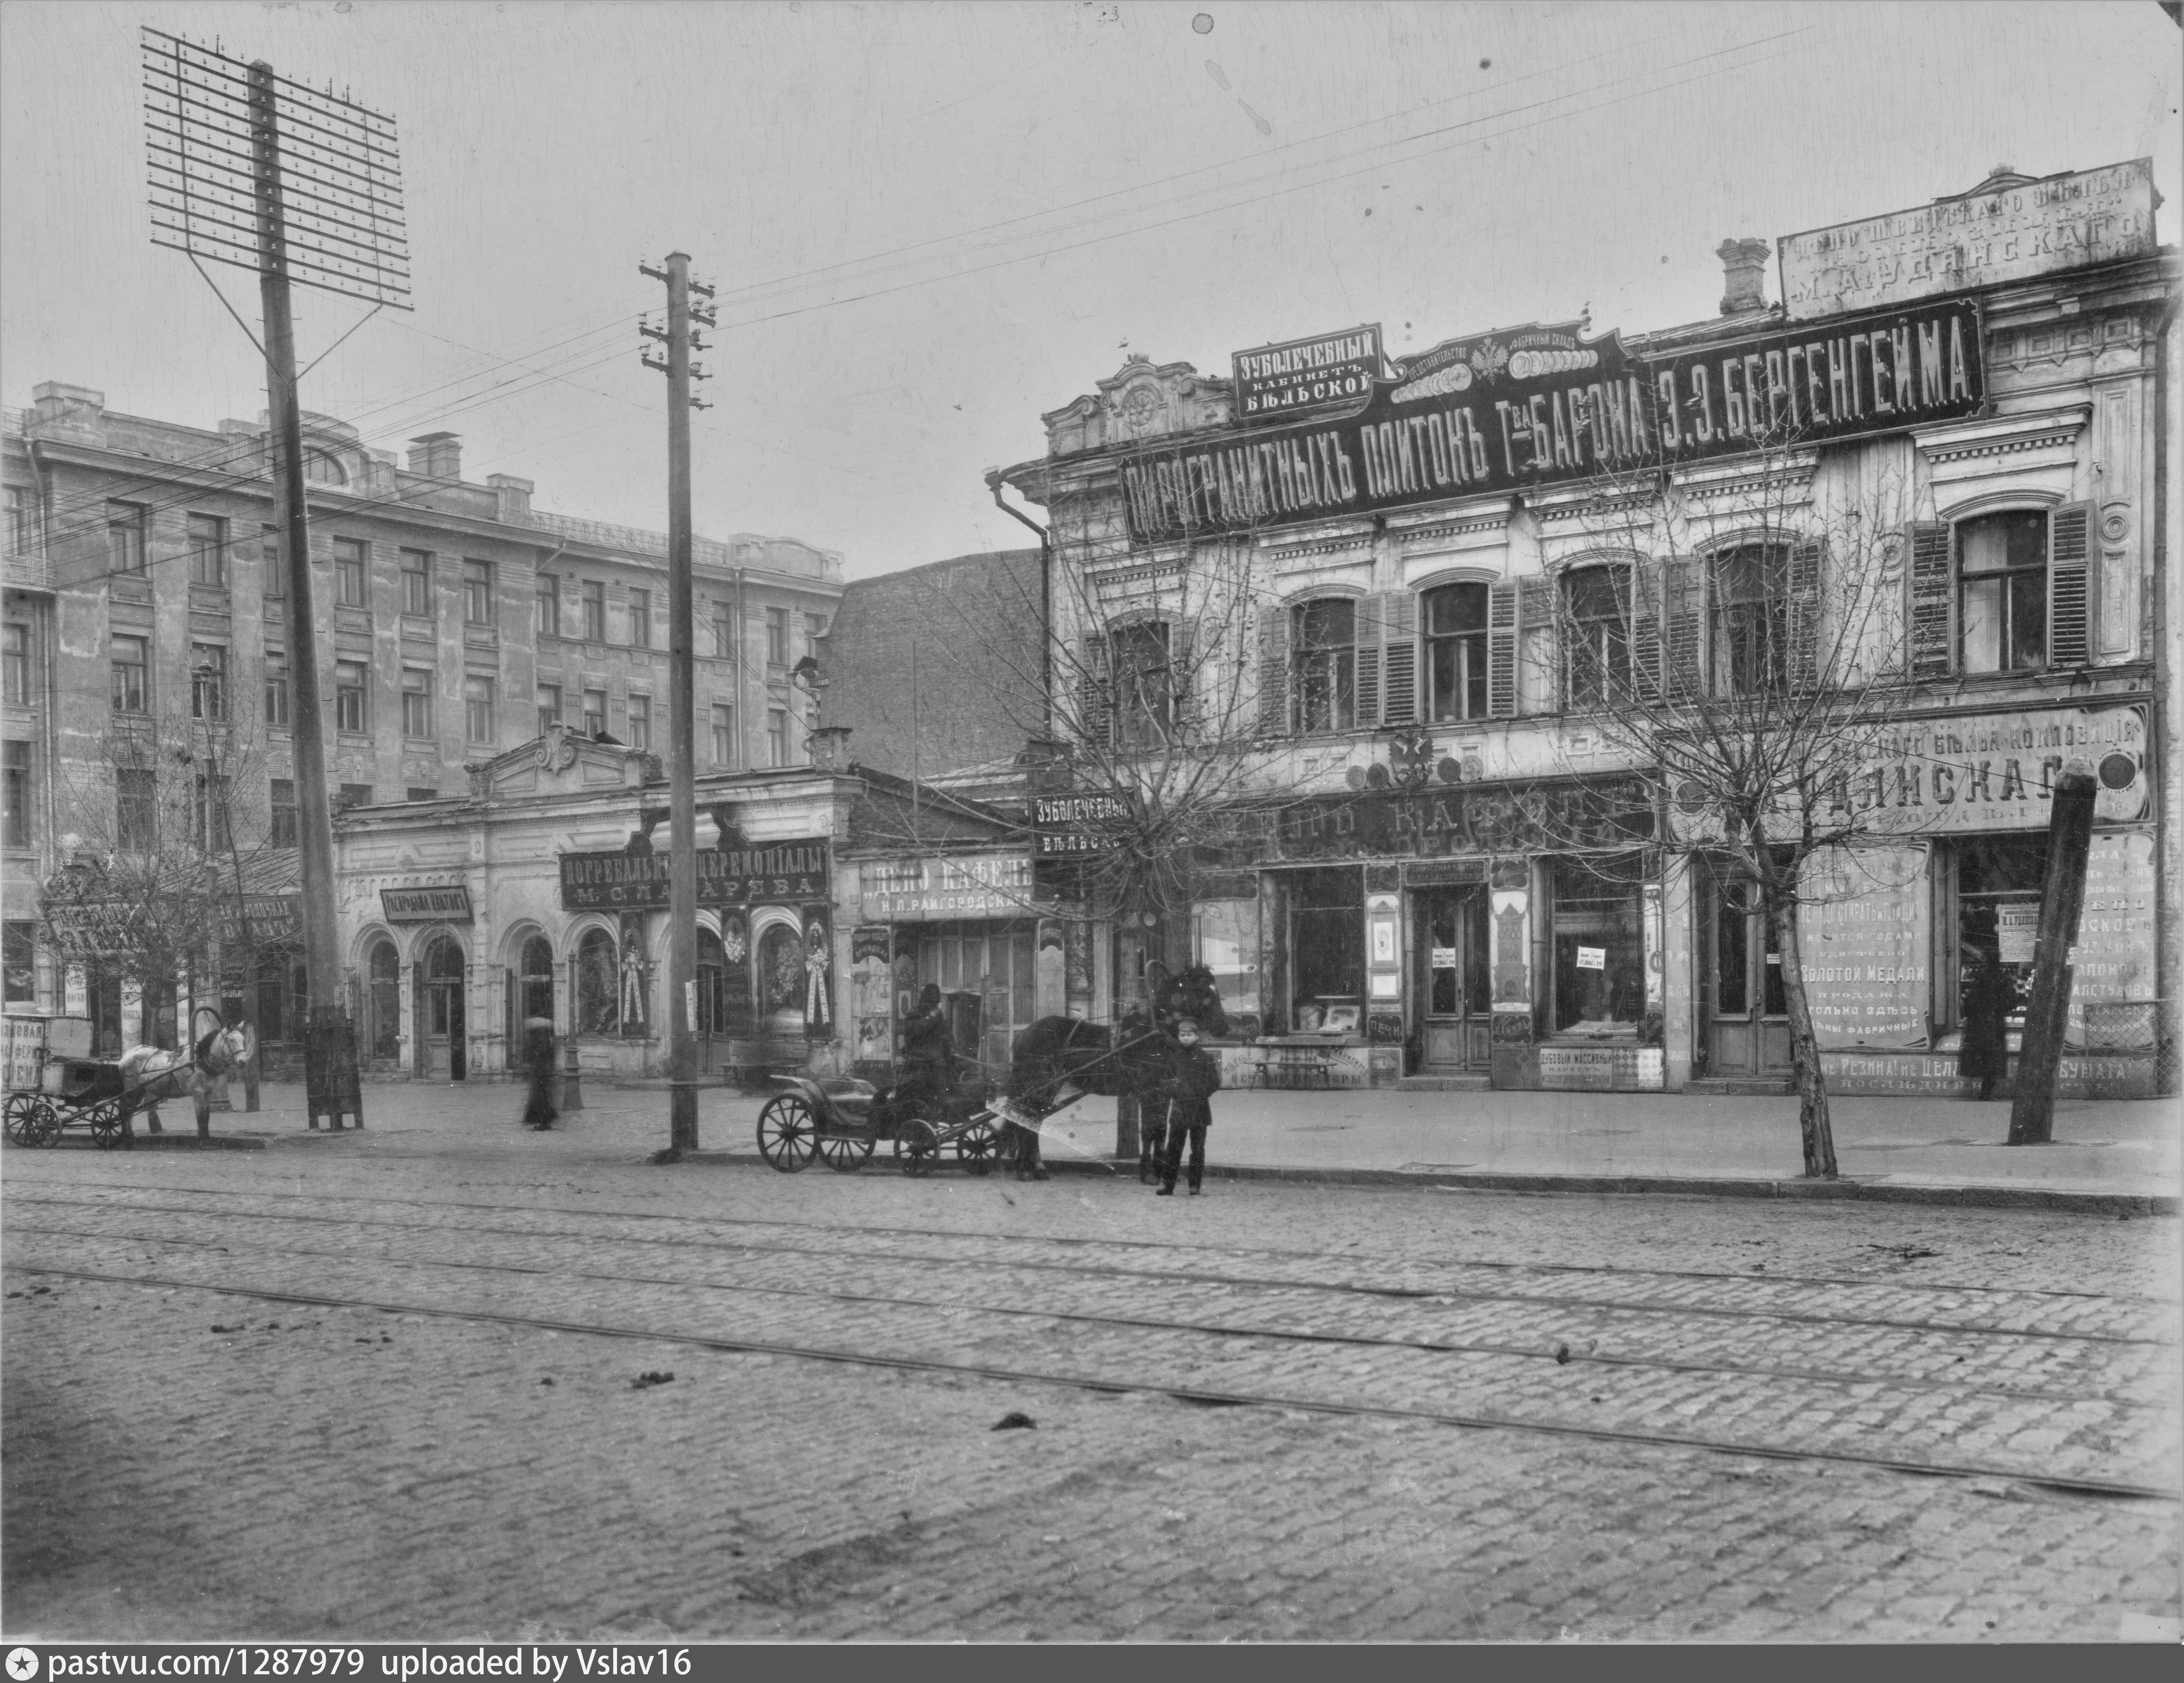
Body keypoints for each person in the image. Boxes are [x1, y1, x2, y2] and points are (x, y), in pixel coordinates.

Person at [1155, 1017, 1223, 1196]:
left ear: (1196, 1036)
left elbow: (1214, 1082)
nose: (1185, 1038)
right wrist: (1175, 1091)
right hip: (1179, 1110)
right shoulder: (1174, 1059)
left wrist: (1199, 1092)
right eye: (1183, 1035)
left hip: (1199, 1109)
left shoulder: (1205, 1058)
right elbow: (1165, 1081)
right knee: (1173, 1150)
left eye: (1189, 1035)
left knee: (1198, 1150)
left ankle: (1195, 1186)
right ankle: (1168, 1185)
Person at [1959, 930, 2014, 1102]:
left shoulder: (1980, 977)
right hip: (1995, 1023)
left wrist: (1969, 1013)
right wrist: (2000, 1010)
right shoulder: (2002, 978)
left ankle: (1983, 1091)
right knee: (1994, 1059)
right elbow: (2011, 1000)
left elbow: (1969, 1002)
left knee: (1981, 1057)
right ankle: (1987, 1091)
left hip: (1978, 1023)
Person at [520, 1016, 558, 1130]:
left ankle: (544, 1122)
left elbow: (538, 1055)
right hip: (543, 1073)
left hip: (540, 1073)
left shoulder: (541, 1041)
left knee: (540, 1099)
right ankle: (545, 1121)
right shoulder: (547, 1040)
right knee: (541, 1099)